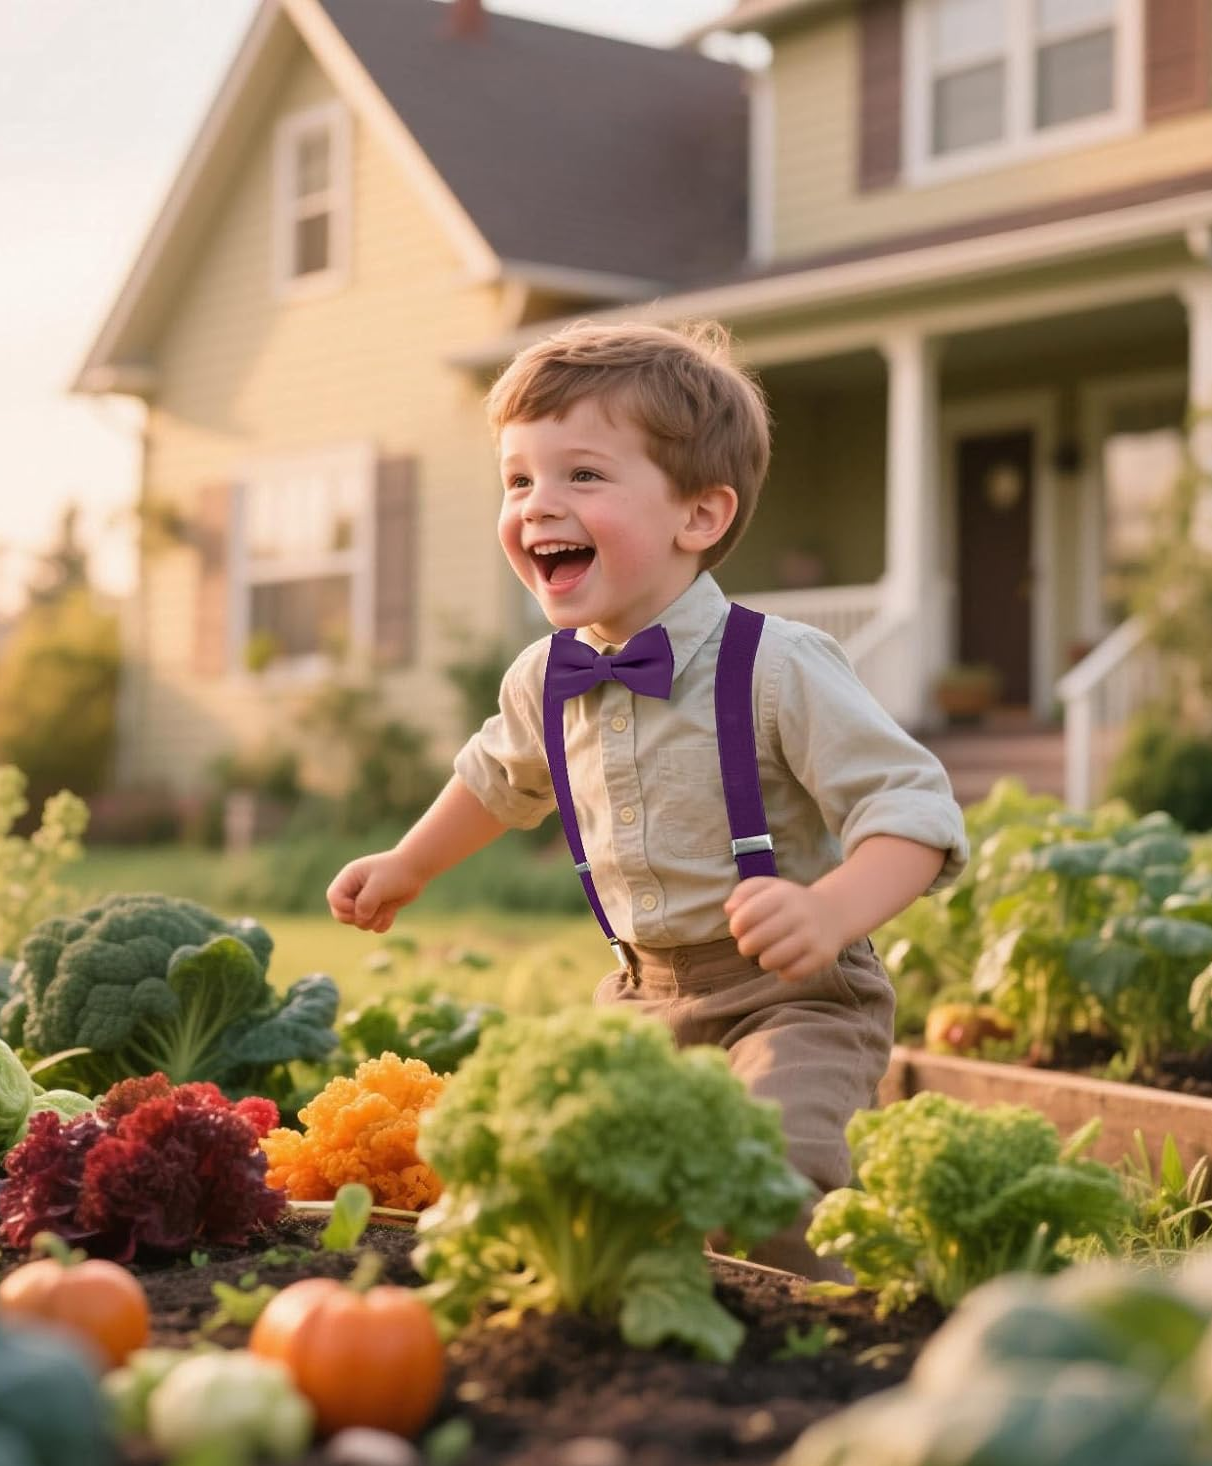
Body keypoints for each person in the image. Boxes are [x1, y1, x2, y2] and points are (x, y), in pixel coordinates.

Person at [327, 320, 969, 1276]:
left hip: (793, 1001)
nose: (539, 504)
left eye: (582, 476)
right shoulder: (541, 677)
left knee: (768, 1176)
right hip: (638, 997)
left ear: (699, 517)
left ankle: (821, 1350)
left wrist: (828, 911)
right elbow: (494, 782)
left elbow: (913, 811)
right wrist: (408, 863)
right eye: (518, 480)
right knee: (584, 1190)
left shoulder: (778, 665)